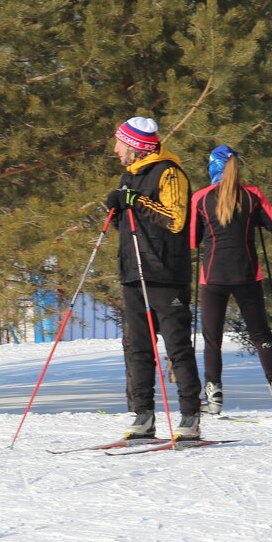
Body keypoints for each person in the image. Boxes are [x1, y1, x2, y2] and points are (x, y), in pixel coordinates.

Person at [104, 116, 202, 440]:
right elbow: (131, 225)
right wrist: (118, 211)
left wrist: (136, 202)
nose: (116, 149)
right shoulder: (128, 175)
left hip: (164, 273)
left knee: (177, 346)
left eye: (120, 143)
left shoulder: (169, 172)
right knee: (136, 347)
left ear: (135, 146)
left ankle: (190, 417)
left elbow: (176, 220)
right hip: (133, 273)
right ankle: (142, 415)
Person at [190, 144, 272, 415]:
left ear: (212, 166)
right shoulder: (252, 195)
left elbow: (192, 240)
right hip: (247, 275)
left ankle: (213, 397)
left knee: (212, 339)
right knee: (260, 334)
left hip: (213, 277)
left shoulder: (201, 198)